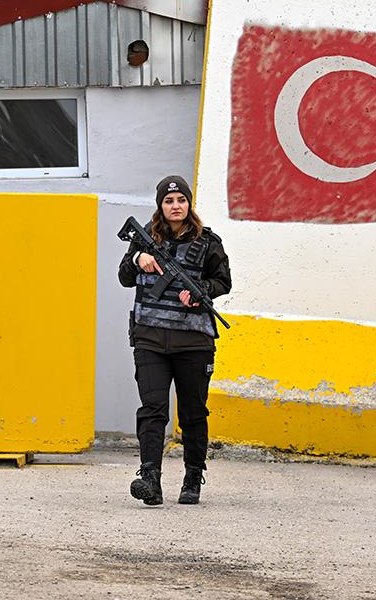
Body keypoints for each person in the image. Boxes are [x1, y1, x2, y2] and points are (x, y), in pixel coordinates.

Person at [118, 175, 231, 506]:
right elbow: (124, 277)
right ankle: (150, 478)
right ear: (160, 206)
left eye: (181, 200)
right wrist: (138, 259)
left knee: (193, 413)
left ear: (189, 204)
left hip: (193, 342)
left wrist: (201, 292)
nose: (175, 206)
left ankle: (193, 475)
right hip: (149, 338)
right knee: (152, 410)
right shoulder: (145, 239)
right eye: (169, 201)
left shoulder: (207, 243)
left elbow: (223, 281)